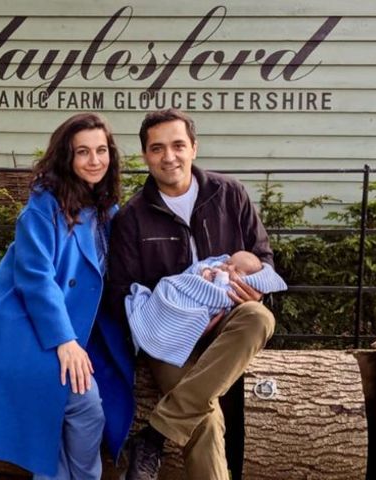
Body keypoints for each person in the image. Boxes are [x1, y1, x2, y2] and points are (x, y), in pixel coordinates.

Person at [0, 113, 134, 480]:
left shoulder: (107, 210)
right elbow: (35, 277)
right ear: (66, 157)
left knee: (81, 413)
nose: (94, 160)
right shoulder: (43, 205)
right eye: (83, 152)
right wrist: (64, 340)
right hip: (23, 323)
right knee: (80, 405)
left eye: (101, 150)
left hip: (65, 325)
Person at [108, 108, 277, 480]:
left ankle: (154, 435)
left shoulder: (229, 194)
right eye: (157, 148)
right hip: (169, 336)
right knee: (205, 419)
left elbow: (263, 258)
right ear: (145, 155)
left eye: (178, 145)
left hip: (227, 321)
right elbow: (120, 293)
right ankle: (162, 433)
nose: (169, 157)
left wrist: (252, 290)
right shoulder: (131, 218)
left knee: (260, 317)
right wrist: (176, 312)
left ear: (194, 148)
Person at [125, 251, 287, 368]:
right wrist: (204, 271)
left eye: (236, 270)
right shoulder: (215, 266)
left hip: (224, 325)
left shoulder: (238, 209)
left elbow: (263, 260)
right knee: (183, 384)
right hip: (170, 326)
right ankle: (180, 403)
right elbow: (120, 284)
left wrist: (256, 295)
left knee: (259, 317)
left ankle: (182, 401)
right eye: (228, 263)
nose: (228, 268)